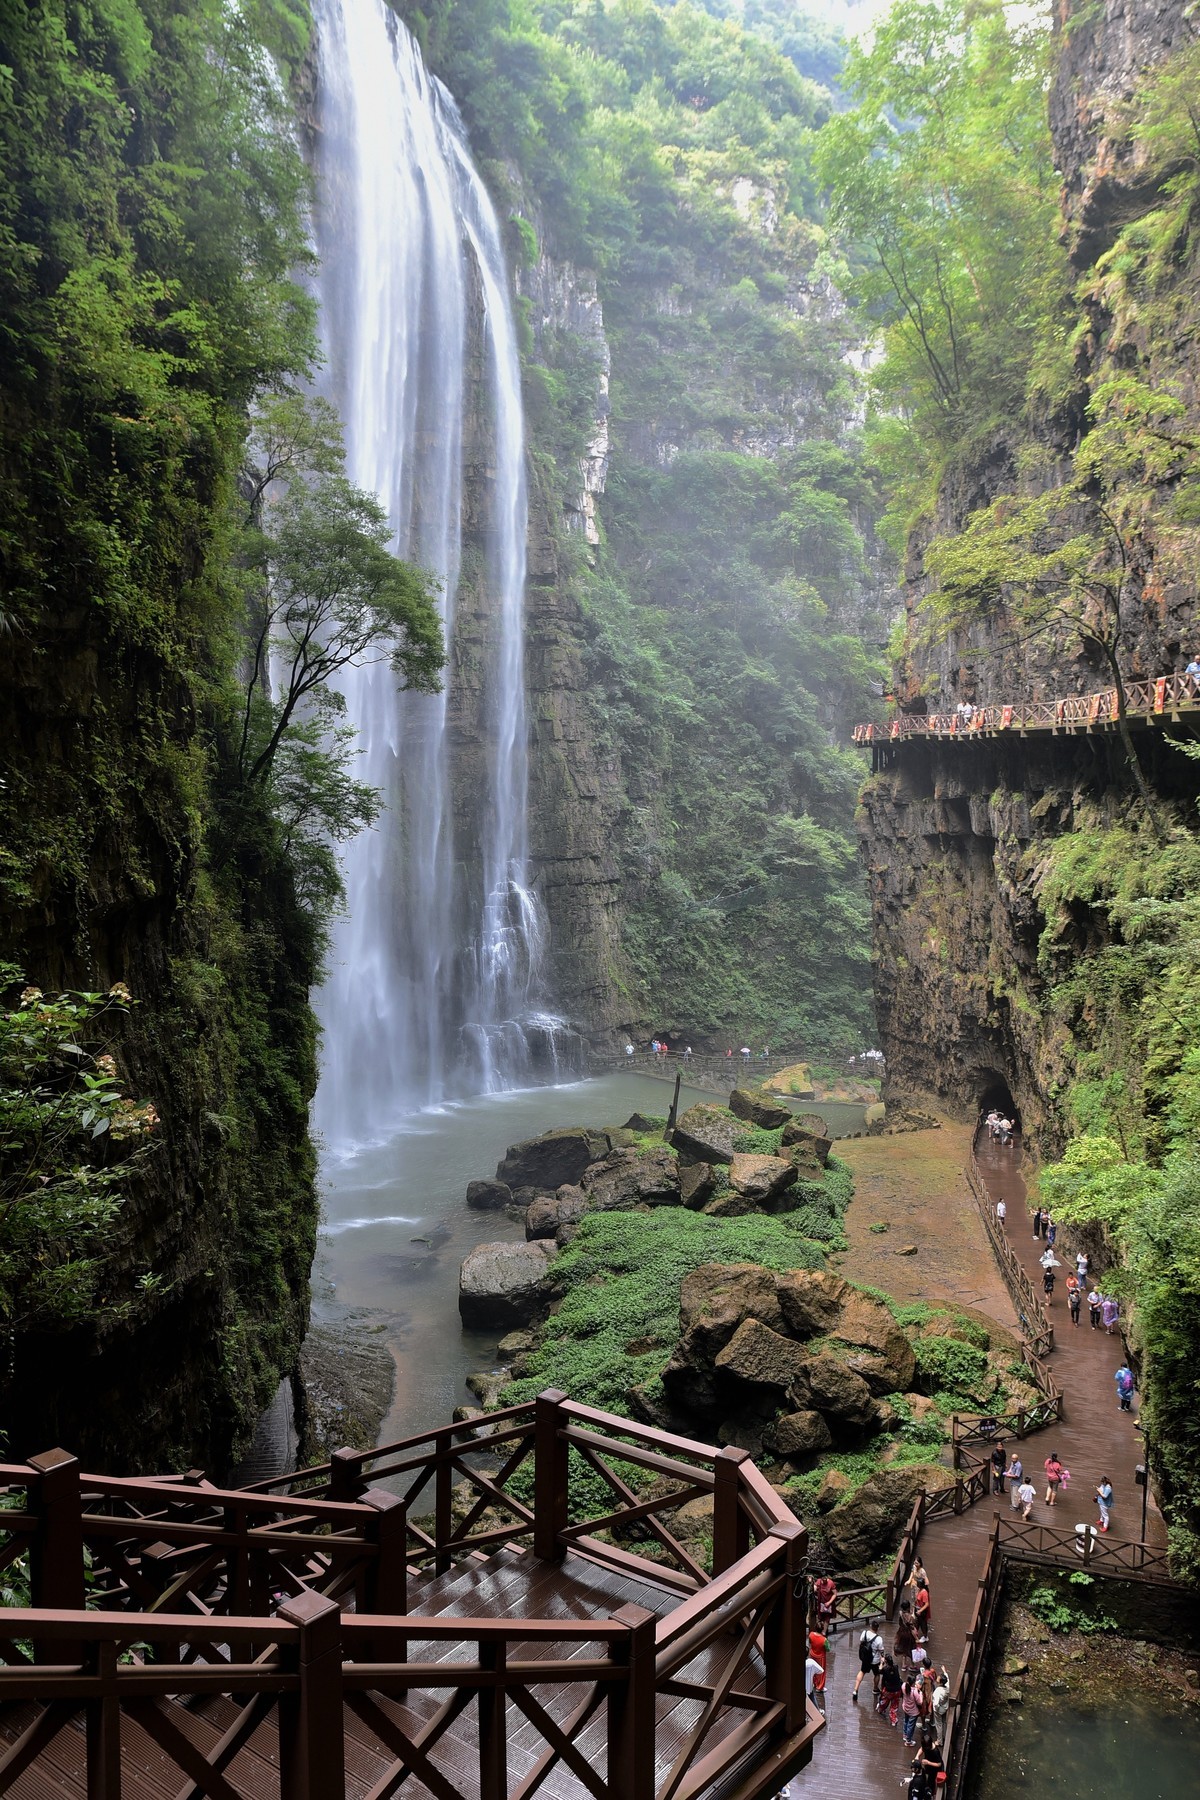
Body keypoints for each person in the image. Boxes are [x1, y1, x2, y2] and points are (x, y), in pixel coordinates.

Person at [854, 1618, 884, 1701]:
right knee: (877, 1674)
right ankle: (875, 1688)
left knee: (862, 1671)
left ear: (871, 1626)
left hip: (866, 1658)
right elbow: (881, 1650)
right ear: (877, 1628)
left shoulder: (864, 1633)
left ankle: (855, 1689)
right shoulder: (879, 1639)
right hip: (875, 1660)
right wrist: (882, 1660)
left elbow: (861, 1642)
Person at [878, 1654, 903, 1725]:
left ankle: (881, 1709)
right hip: (897, 1690)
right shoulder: (895, 1667)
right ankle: (893, 1720)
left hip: (888, 1690)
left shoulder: (885, 1669)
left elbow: (879, 1670)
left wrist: (881, 1663)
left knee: (884, 1702)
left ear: (886, 1661)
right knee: (894, 1706)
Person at [901, 1676, 922, 1744]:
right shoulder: (914, 1691)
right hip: (913, 1711)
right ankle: (908, 1740)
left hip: (906, 1707)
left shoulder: (904, 1686)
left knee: (906, 1721)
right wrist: (920, 1693)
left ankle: (905, 1735)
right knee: (911, 1725)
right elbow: (920, 1702)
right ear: (913, 1683)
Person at [805, 1649, 826, 1713]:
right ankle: (817, 1710)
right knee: (811, 1696)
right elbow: (821, 1670)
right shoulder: (810, 1662)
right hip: (809, 1685)